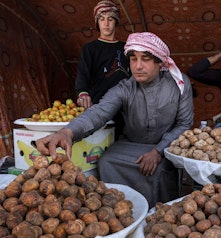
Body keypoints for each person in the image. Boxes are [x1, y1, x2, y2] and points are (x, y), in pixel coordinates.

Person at [36, 32, 194, 208]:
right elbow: (99, 112)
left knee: (160, 169)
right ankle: (120, 211)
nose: (138, 66)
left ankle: (160, 215)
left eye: (146, 59)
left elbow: (184, 124)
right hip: (131, 146)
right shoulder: (125, 88)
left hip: (166, 148)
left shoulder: (179, 85)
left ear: (160, 62)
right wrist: (67, 132)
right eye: (133, 59)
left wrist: (158, 151)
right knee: (106, 161)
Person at [75, 0, 130, 139]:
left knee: (122, 140)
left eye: (110, 19)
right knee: (100, 140)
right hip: (99, 105)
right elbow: (83, 75)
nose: (106, 23)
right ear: (97, 23)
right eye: (101, 19)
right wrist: (83, 93)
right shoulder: (90, 49)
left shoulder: (127, 49)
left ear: (116, 22)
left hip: (125, 107)